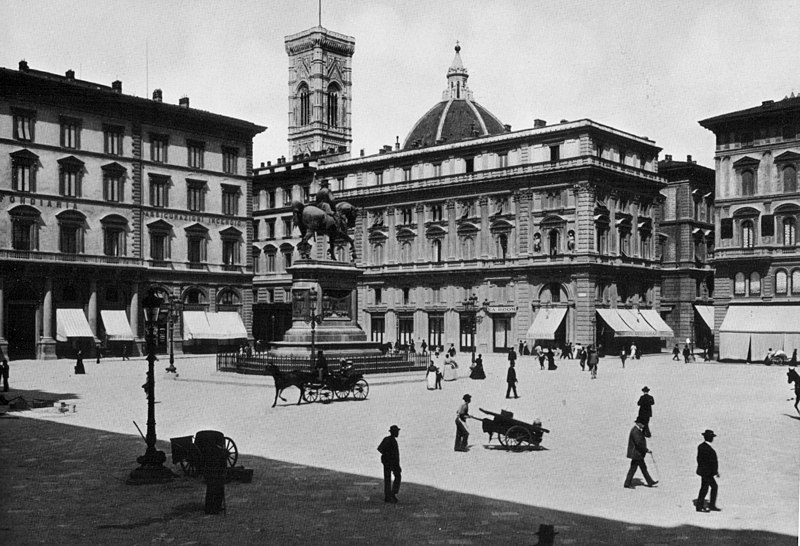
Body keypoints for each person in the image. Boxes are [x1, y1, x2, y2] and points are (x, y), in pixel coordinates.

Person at [624, 420, 658, 489]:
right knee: (634, 469)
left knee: (642, 468)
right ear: (638, 423)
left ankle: (650, 482)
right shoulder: (635, 431)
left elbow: (647, 435)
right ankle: (627, 484)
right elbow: (639, 444)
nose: (643, 425)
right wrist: (646, 450)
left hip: (637, 454)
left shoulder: (637, 430)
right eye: (642, 424)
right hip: (636, 454)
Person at [695, 429, 720, 512]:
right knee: (705, 488)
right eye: (711, 437)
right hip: (707, 473)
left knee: (712, 487)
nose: (712, 439)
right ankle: (700, 506)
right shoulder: (708, 448)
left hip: (705, 472)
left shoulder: (701, 446)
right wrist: (713, 471)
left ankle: (710, 505)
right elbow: (709, 461)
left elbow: (698, 459)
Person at [377, 425, 402, 503]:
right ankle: (393, 493)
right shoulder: (393, 441)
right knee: (397, 476)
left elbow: (380, 449)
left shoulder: (386, 439)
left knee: (387, 479)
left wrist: (385, 455)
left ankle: (388, 496)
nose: (398, 433)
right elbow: (395, 455)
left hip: (386, 462)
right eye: (397, 432)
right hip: (392, 463)